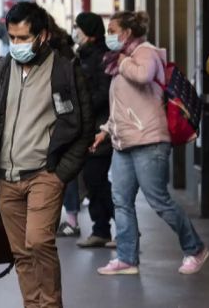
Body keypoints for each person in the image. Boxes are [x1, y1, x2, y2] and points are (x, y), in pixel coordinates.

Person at [0, 2, 93, 308]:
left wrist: (62, 172)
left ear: (42, 36)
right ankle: (32, 304)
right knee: (20, 252)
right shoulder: (0, 70)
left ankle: (50, 305)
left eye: (24, 38)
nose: (17, 44)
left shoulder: (64, 70)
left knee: (39, 242)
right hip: (6, 177)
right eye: (12, 38)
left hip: (44, 173)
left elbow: (83, 127)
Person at [93, 11, 209, 276]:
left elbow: (144, 76)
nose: (108, 35)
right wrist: (106, 131)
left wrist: (123, 62)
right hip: (124, 141)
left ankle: (195, 249)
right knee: (121, 200)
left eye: (112, 30)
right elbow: (122, 106)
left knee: (159, 200)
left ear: (127, 33)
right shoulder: (120, 61)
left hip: (150, 140)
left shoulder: (146, 52)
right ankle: (126, 259)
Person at [70, 12, 116, 248]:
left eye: (78, 27)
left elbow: (104, 93)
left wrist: (81, 106)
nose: (74, 31)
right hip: (85, 127)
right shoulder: (81, 56)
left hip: (100, 128)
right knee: (91, 178)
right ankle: (101, 229)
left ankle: (125, 227)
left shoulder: (101, 58)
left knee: (95, 177)